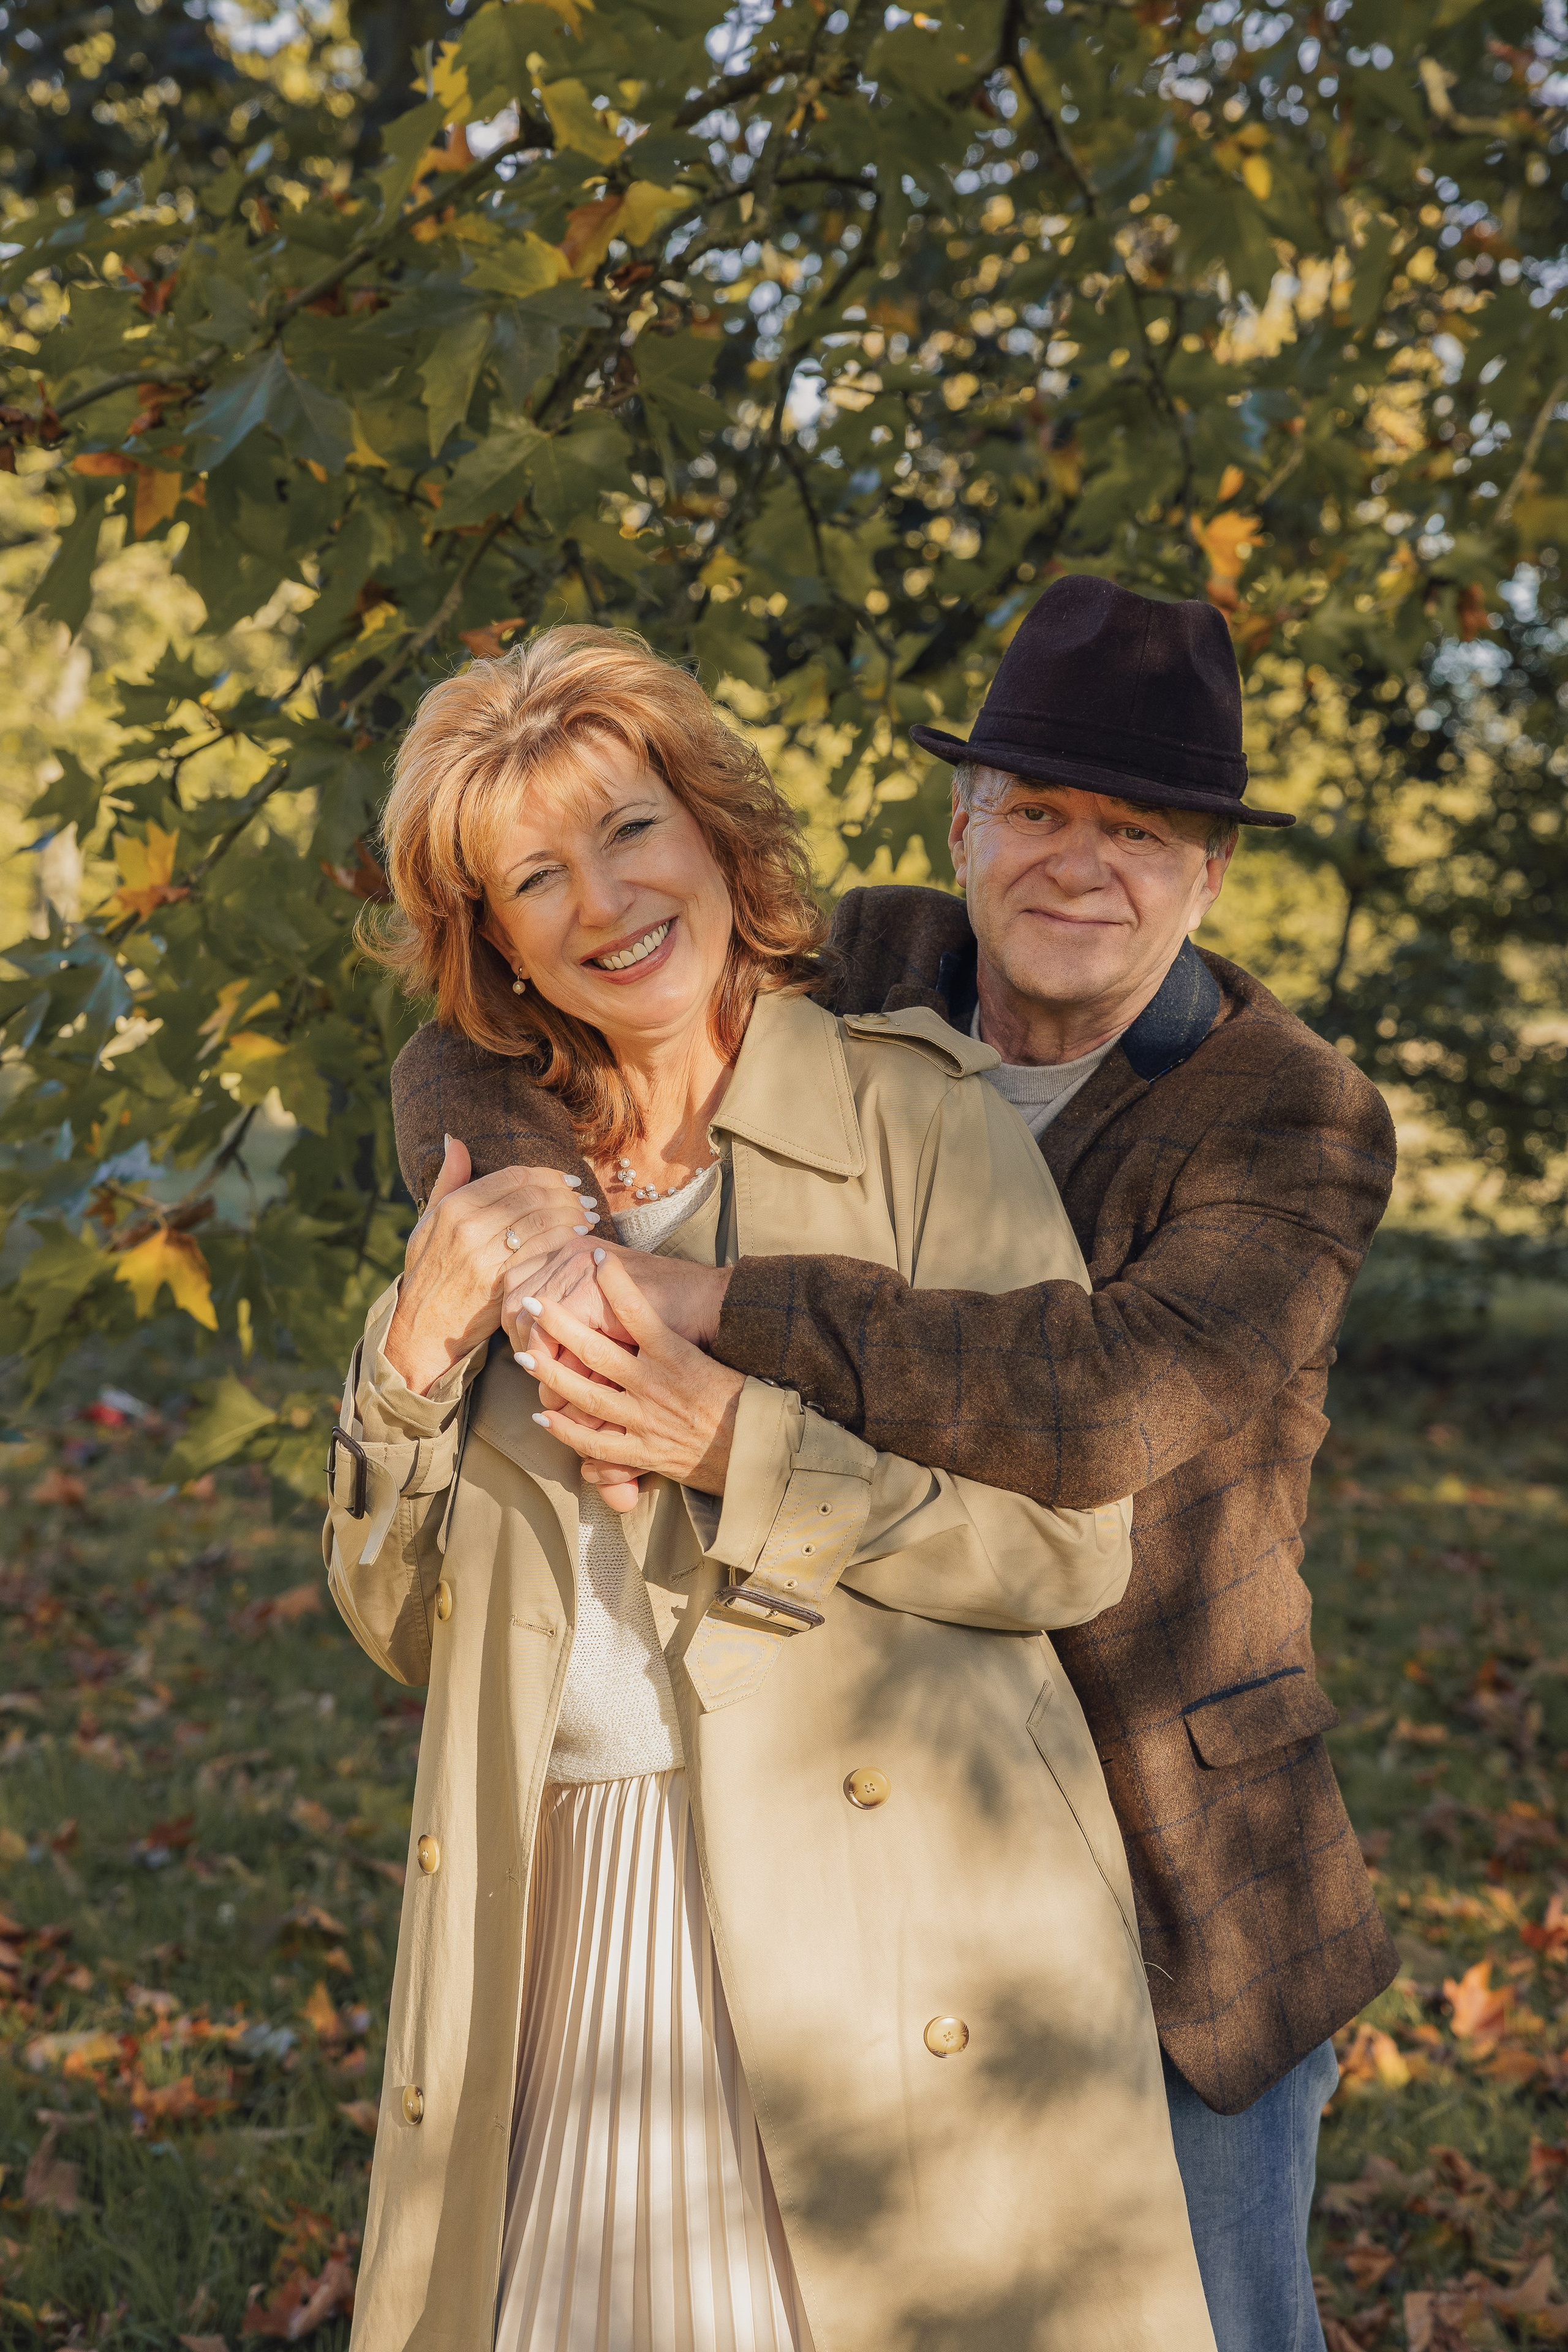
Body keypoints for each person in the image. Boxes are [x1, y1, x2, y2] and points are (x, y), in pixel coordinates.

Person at [398, 580, 1400, 2352]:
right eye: (1041, 813)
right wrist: (532, 1207)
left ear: (1209, 875)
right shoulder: (856, 969)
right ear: (967, 820)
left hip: (1165, 1816)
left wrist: (708, 1305)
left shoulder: (1287, 1110)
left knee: (1204, 2315)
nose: (1081, 866)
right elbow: (492, 1035)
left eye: (1142, 834)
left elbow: (1105, 1404)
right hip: (836, 1788)